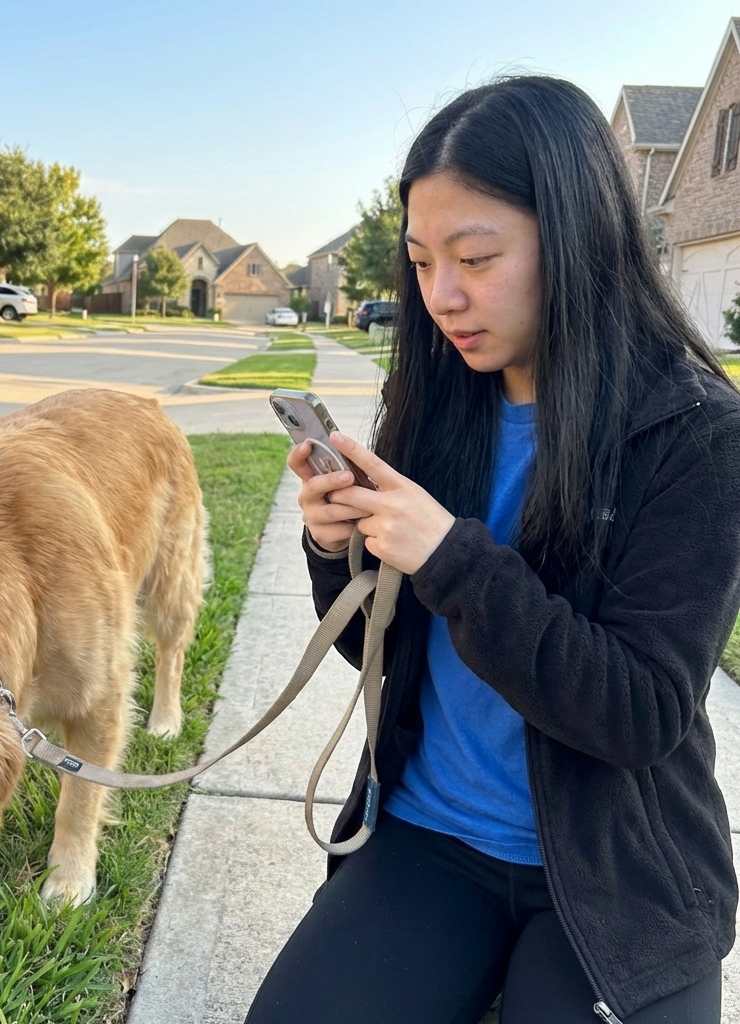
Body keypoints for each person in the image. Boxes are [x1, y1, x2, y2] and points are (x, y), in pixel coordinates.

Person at [246, 77, 740, 1024]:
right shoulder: (437, 404)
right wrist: (335, 549)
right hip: (431, 837)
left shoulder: (697, 435)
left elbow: (640, 713)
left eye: (476, 257)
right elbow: (377, 653)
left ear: (578, 237)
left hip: (616, 868)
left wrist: (454, 560)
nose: (441, 296)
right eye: (423, 260)